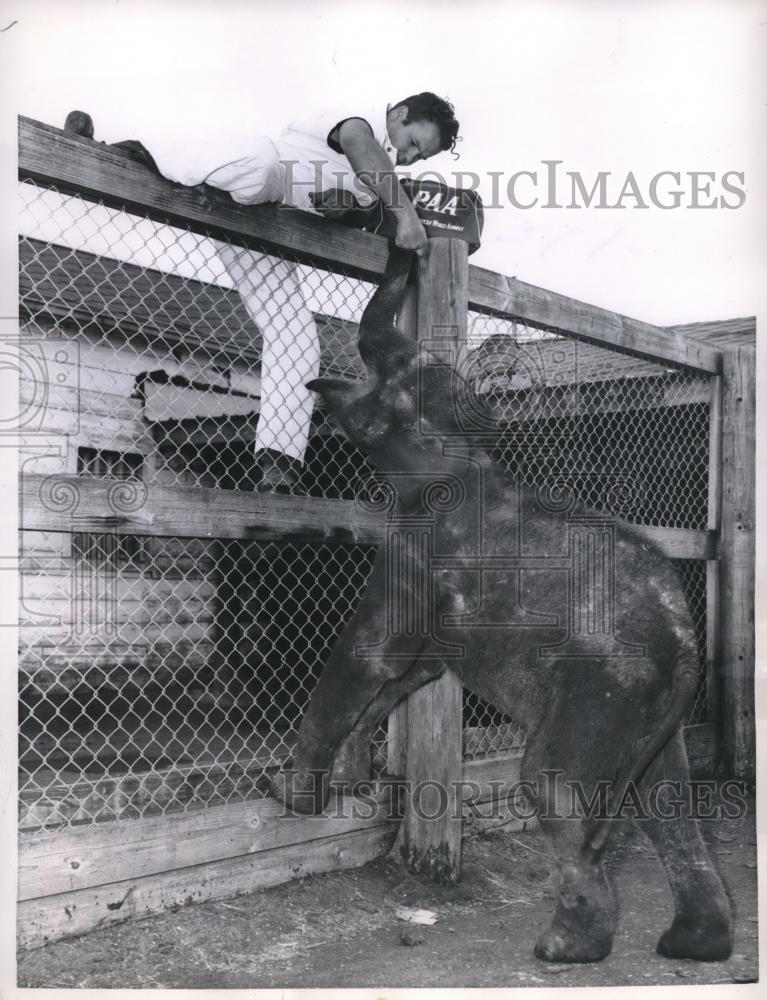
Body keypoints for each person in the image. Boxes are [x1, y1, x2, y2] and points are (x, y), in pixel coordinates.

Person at [67, 95, 461, 491]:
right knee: (260, 168)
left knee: (297, 340)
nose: (408, 158)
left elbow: (344, 197)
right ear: (398, 114)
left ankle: (278, 467)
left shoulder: (372, 183)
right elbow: (359, 145)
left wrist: (337, 208)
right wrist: (406, 217)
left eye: (419, 157)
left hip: (257, 226)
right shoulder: (360, 120)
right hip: (250, 175)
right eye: (412, 143)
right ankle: (120, 151)